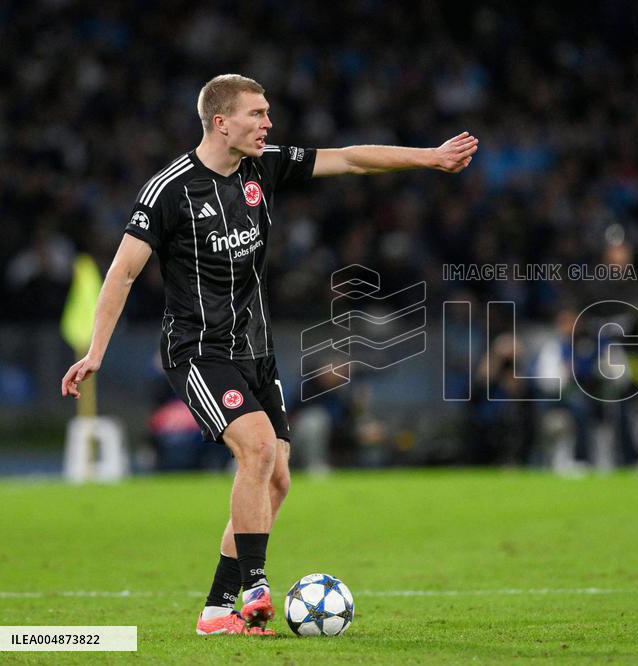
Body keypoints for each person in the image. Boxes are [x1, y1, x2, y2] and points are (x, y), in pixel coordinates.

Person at [60, 74, 478, 636]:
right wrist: (95, 353)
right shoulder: (170, 191)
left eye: (267, 114)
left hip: (256, 351)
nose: (268, 124)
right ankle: (255, 588)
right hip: (199, 352)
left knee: (277, 478)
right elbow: (122, 272)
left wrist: (429, 158)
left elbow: (351, 159)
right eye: (257, 114)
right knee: (256, 450)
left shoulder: (264, 166)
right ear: (221, 122)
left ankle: (215, 611)